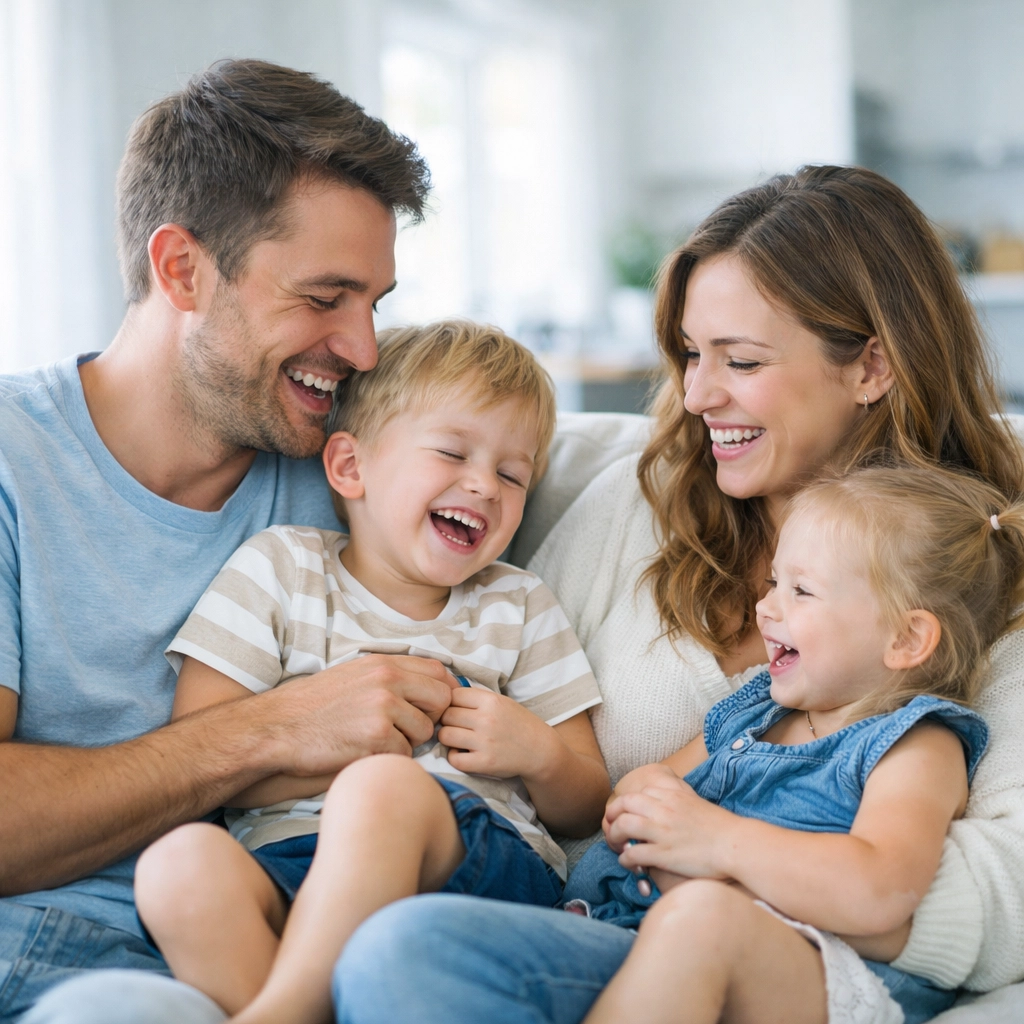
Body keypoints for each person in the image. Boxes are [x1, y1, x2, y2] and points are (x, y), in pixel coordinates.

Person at [331, 166, 1024, 1024]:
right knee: (404, 955)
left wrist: (724, 861)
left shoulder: (974, 565)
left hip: (789, 962)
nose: (696, 395)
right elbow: (521, 728)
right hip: (614, 918)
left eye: (740, 360)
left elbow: (1004, 887)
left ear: (872, 365)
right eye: (692, 355)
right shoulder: (641, 500)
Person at [0, 57, 461, 1023]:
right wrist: (271, 727)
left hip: (271, 944)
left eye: (375, 302)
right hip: (46, 954)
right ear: (183, 270)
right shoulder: (12, 462)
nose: (365, 349)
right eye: (324, 296)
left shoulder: (353, 475)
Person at [133, 321, 609, 1024]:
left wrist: (536, 752)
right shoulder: (281, 569)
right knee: (177, 865)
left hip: (472, 861)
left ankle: (283, 1011)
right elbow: (203, 753)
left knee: (385, 787)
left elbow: (588, 800)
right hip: (288, 856)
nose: (484, 484)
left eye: (513, 473)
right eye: (452, 452)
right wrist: (330, 749)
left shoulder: (518, 604)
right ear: (350, 468)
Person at [571, 464, 1024, 1024]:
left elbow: (878, 887)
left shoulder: (914, 744)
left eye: (801, 591)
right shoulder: (761, 706)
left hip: (806, 971)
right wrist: (643, 794)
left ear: (906, 638)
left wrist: (716, 841)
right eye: (773, 583)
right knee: (456, 942)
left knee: (702, 921)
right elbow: (660, 779)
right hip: (627, 929)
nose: (767, 607)